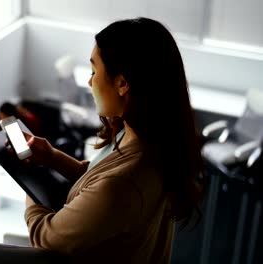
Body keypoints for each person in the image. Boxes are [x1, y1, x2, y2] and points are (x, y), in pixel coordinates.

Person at [20, 17, 205, 263]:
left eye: (94, 71)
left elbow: (46, 238)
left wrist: (27, 178)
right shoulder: (141, 135)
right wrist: (52, 157)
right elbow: (97, 178)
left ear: (123, 83)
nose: (89, 81)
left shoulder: (125, 184)